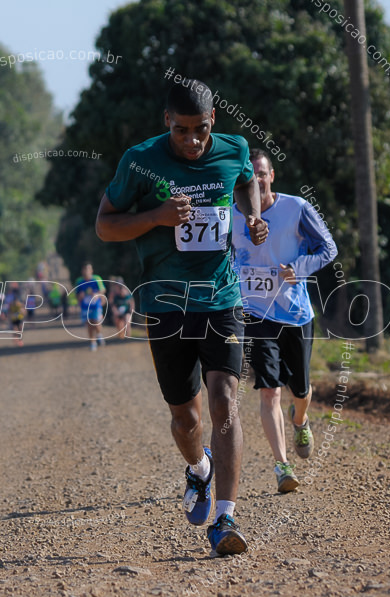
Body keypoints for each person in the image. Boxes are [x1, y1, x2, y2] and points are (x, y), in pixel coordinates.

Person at [95, 78, 268, 556]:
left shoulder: (234, 148)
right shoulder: (140, 161)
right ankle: (199, 470)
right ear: (166, 121)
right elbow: (105, 225)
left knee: (224, 402)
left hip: (221, 298)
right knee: (186, 418)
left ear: (213, 122)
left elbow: (247, 181)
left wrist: (251, 216)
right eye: (182, 130)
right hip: (166, 304)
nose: (192, 141)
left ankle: (225, 518)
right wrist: (156, 217)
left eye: (200, 130)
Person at [231, 149, 338, 493]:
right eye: (250, 177)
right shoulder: (230, 214)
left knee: (300, 389)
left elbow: (328, 248)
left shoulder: (296, 209)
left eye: (261, 174)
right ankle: (282, 467)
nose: (256, 181)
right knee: (269, 391)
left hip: (294, 314)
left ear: (271, 176)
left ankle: (301, 419)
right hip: (255, 314)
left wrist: (300, 269)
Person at [74, 263, 106, 351]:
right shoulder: (79, 281)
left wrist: (97, 294)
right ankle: (93, 343)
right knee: (89, 325)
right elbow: (77, 294)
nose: (86, 271)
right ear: (82, 271)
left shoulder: (96, 279)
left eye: (88, 269)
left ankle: (99, 334)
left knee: (96, 323)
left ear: (91, 270)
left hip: (96, 305)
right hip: (85, 307)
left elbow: (103, 290)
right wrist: (80, 296)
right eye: (85, 269)